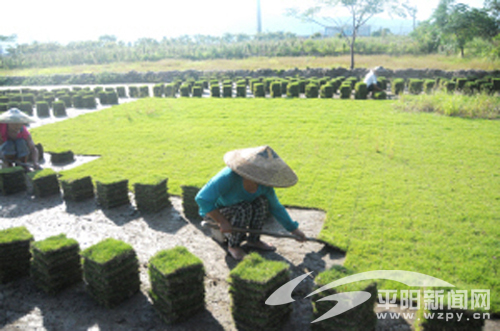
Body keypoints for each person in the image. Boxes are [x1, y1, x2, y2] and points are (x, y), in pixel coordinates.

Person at [195, 145, 307, 261]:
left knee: (262, 202)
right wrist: (221, 221)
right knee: (244, 208)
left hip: (239, 210)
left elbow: (276, 207)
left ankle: (254, 240)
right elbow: (202, 199)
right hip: (215, 214)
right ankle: (233, 245)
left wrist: (294, 229)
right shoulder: (228, 176)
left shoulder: (264, 185)